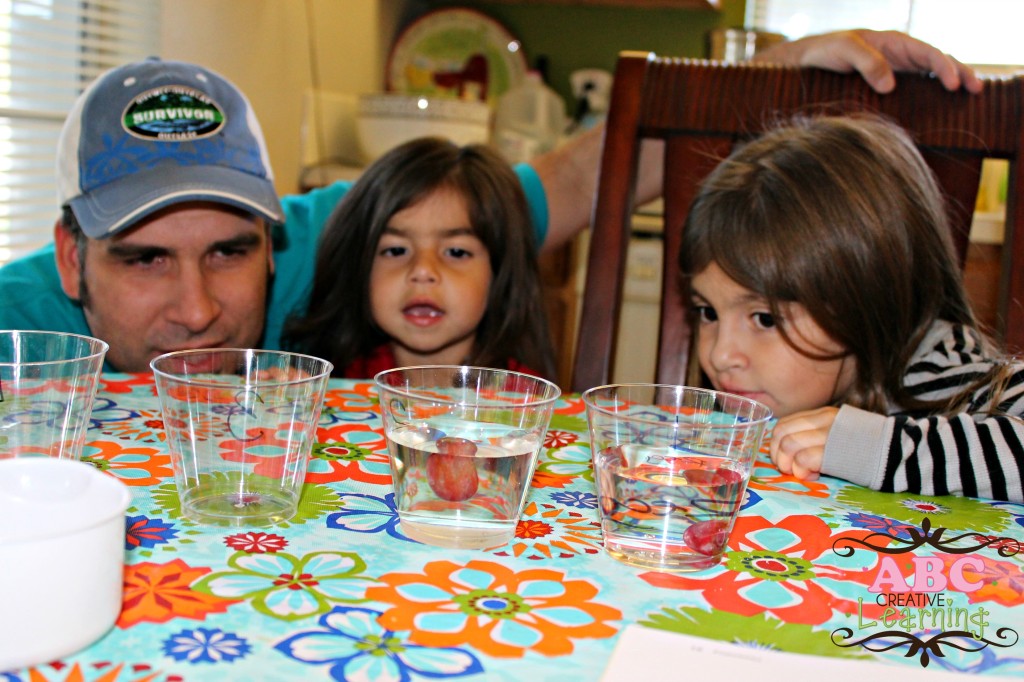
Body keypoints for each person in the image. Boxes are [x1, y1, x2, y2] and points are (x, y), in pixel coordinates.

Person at [0, 30, 983, 372]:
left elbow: (555, 186)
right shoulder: (15, 322)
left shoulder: (320, 243)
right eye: (142, 259)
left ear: (273, 235)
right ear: (72, 254)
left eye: (228, 251)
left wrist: (773, 69)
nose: (199, 307)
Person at [677, 114, 1024, 503]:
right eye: (708, 312)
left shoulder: (936, 371)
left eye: (766, 318)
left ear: (867, 298)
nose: (721, 355)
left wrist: (877, 450)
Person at [284, 137, 555, 379]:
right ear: (360, 269)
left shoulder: (527, 403)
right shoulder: (330, 389)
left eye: (456, 252)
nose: (423, 270)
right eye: (396, 250)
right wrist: (278, 400)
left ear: (499, 273)